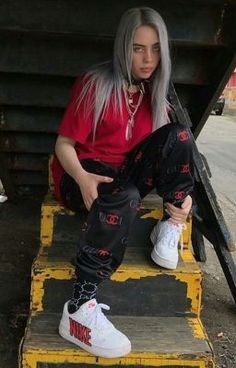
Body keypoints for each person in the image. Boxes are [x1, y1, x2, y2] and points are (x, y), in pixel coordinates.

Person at [52, 7, 194, 358]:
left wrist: (180, 201)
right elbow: (63, 145)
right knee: (124, 195)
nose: (148, 59)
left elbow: (168, 153)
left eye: (156, 48)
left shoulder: (155, 94)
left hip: (123, 177)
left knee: (180, 135)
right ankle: (78, 308)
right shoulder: (95, 83)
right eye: (138, 48)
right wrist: (82, 178)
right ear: (123, 47)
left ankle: (171, 225)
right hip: (83, 174)